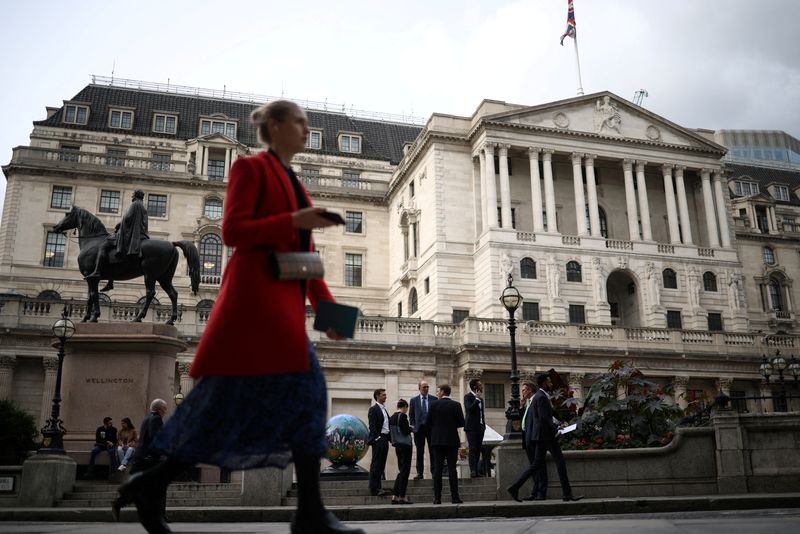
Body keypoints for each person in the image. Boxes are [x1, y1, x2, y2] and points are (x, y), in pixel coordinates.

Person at [112, 100, 363, 534]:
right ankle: (309, 516)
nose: (306, 130)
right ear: (275, 127)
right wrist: (294, 219)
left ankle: (152, 483)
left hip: (280, 310)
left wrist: (329, 311)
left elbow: (303, 256)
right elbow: (232, 231)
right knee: (293, 393)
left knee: (241, 405)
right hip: (252, 306)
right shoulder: (249, 169)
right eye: (299, 123)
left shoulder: (296, 184)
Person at [507, 374, 583, 503]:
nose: (551, 384)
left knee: (536, 464)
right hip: (546, 436)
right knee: (560, 463)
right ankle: (567, 494)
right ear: (543, 383)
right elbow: (544, 419)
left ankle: (515, 487)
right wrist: (557, 430)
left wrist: (557, 424)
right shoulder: (541, 397)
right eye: (548, 381)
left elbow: (545, 417)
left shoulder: (538, 397)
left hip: (540, 436)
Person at [85, 189, 149, 284]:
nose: (132, 197)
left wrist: (119, 224)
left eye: (132, 195)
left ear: (135, 196)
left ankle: (97, 272)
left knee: (104, 245)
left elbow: (127, 218)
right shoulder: (142, 206)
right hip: (138, 233)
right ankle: (110, 281)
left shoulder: (135, 204)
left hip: (129, 234)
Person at [426, 384, 465, 504]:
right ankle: (455, 497)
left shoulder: (433, 405)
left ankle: (437, 498)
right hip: (452, 440)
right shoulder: (456, 405)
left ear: (442, 392)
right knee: (452, 469)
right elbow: (461, 423)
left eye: (438, 391)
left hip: (437, 441)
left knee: (437, 469)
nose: (437, 393)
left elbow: (428, 422)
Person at [519, 382, 548, 500]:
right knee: (534, 466)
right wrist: (521, 407)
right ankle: (535, 492)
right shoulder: (529, 403)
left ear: (530, 390)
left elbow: (541, 420)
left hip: (535, 438)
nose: (522, 392)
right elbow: (525, 421)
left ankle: (541, 492)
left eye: (524, 390)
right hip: (528, 439)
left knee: (539, 466)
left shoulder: (537, 400)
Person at [408, 380, 437, 479]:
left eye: (427, 387)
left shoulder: (434, 399)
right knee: (420, 452)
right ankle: (419, 473)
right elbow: (411, 415)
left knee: (433, 451)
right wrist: (413, 426)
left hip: (431, 429)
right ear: (419, 388)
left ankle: (434, 472)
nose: (426, 389)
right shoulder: (414, 400)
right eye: (424, 387)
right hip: (419, 429)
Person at [367, 388, 391, 497]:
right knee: (376, 464)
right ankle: (374, 488)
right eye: (383, 395)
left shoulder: (384, 410)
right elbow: (372, 426)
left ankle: (379, 487)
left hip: (385, 439)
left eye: (385, 395)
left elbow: (387, 426)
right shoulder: (373, 409)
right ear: (377, 396)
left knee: (381, 465)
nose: (385, 396)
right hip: (379, 439)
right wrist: (377, 439)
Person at [389, 399, 413, 505]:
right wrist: (412, 428)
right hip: (405, 446)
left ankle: (395, 495)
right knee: (405, 471)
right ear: (404, 407)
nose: (406, 410)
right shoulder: (403, 416)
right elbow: (405, 430)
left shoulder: (392, 416)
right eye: (406, 408)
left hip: (397, 445)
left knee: (401, 470)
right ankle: (402, 496)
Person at [463, 378, 486, 477]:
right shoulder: (467, 397)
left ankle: (477, 470)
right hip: (471, 427)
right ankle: (472, 470)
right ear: (475, 387)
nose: (482, 386)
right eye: (480, 385)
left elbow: (481, 414)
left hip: (480, 427)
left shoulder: (481, 399)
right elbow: (469, 409)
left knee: (478, 449)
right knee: (472, 448)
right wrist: (476, 399)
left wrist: (483, 425)